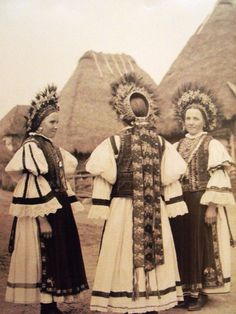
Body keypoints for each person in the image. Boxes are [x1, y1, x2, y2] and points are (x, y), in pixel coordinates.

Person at [86, 73, 188, 313]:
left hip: (124, 209)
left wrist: (101, 205)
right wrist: (172, 203)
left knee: (123, 251)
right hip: (154, 209)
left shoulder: (115, 141)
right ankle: (151, 299)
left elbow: (102, 174)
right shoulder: (160, 142)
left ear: (124, 113)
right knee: (144, 250)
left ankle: (129, 300)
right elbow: (171, 177)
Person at [5, 85, 88, 314]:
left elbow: (61, 178)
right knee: (45, 257)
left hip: (58, 210)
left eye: (57, 122)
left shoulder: (51, 146)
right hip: (43, 212)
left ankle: (50, 305)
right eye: (52, 122)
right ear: (40, 123)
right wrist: (42, 220)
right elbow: (32, 185)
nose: (56, 126)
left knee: (57, 256)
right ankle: (47, 307)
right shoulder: (32, 146)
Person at [170, 84, 235, 311]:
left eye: (196, 118)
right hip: (179, 202)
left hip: (201, 201)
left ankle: (199, 292)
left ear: (204, 121)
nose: (191, 122)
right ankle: (184, 291)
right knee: (181, 243)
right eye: (188, 118)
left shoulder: (212, 144)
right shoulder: (176, 146)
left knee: (200, 244)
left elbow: (218, 176)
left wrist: (212, 207)